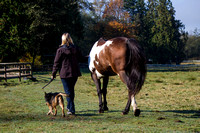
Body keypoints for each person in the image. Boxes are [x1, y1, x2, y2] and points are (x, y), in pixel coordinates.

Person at [51, 33, 83, 115]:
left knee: (68, 92)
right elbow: (81, 58)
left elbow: (56, 63)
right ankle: (69, 107)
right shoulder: (76, 49)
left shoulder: (60, 50)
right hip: (74, 73)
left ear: (63, 39)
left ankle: (71, 109)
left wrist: (53, 74)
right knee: (70, 91)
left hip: (65, 74)